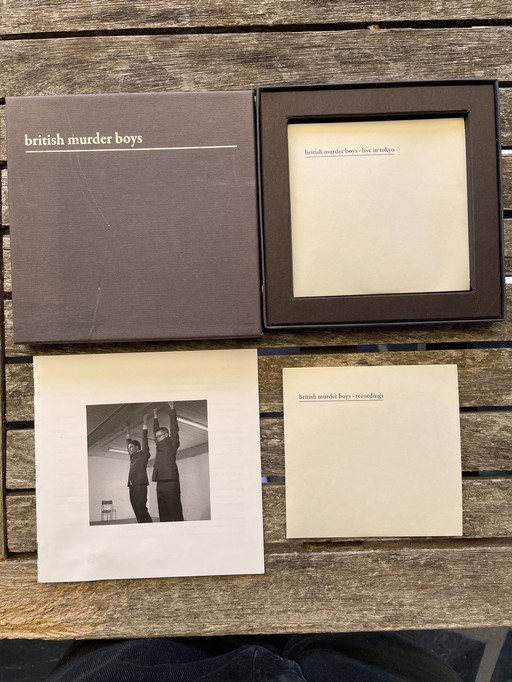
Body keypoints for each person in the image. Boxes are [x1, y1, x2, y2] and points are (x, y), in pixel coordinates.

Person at [152, 401, 184, 522]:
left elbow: (174, 429)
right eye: (157, 437)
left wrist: (172, 408)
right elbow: (155, 432)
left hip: (171, 481)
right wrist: (155, 417)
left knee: (174, 510)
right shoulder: (159, 445)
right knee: (163, 512)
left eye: (159, 436)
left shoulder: (172, 442)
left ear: (166, 435)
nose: (157, 439)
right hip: (160, 481)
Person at [125, 414, 152, 523]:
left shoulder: (144, 454)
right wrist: (128, 431)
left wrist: (145, 424)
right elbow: (128, 442)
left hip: (140, 485)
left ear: (137, 447)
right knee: (136, 508)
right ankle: (141, 525)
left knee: (141, 509)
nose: (129, 449)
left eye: (131, 447)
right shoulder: (132, 456)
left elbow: (145, 441)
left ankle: (148, 525)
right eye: (128, 448)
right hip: (132, 485)